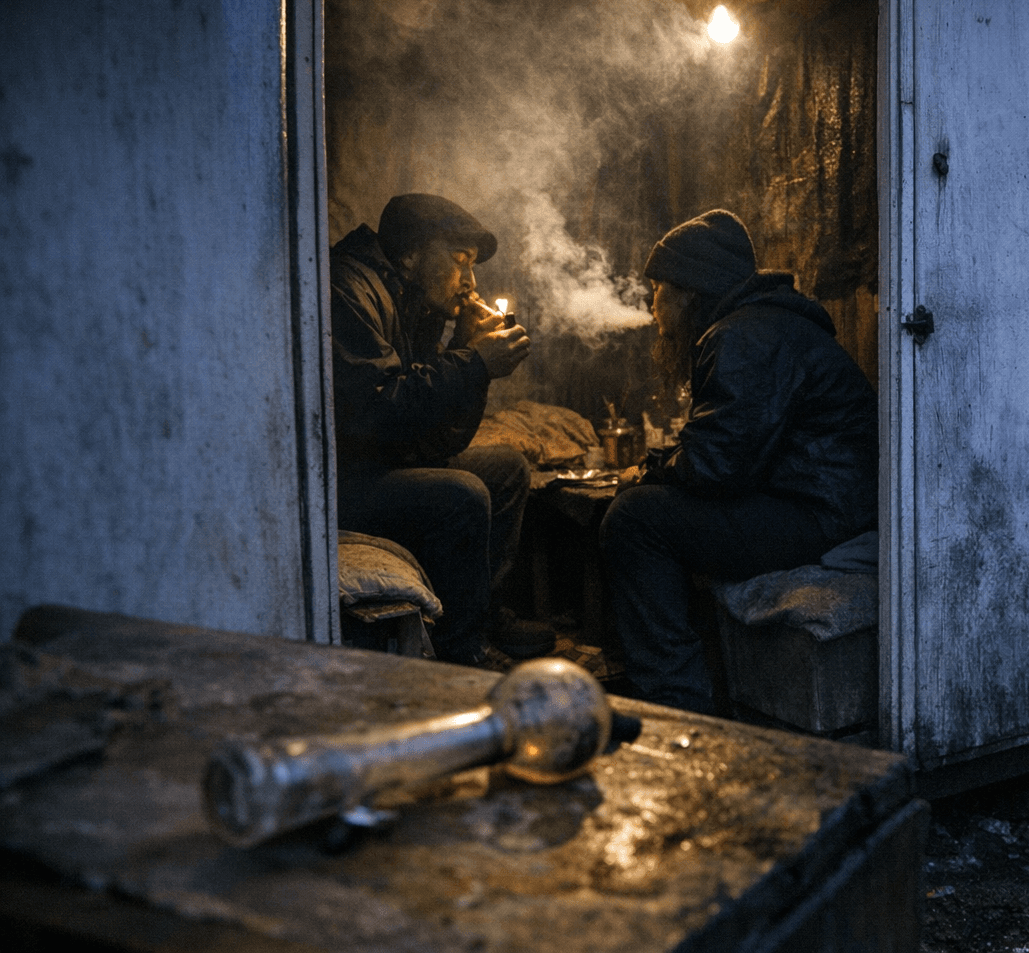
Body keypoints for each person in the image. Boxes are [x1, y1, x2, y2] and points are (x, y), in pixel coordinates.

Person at [599, 210, 878, 713]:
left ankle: (675, 701)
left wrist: (646, 471)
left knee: (634, 519)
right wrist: (662, 466)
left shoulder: (744, 335)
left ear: (690, 290)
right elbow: (730, 450)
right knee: (649, 506)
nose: (652, 304)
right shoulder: (758, 326)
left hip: (819, 516)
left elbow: (716, 467)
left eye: (659, 288)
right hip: (820, 505)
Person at [330, 193, 555, 666]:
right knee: (462, 494)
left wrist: (465, 349)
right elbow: (380, 410)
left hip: (387, 459)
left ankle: (487, 616)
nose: (469, 282)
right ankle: (461, 652)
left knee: (506, 468)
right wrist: (473, 363)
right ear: (411, 254)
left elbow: (438, 438)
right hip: (342, 480)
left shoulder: (414, 301)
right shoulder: (349, 288)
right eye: (459, 262)